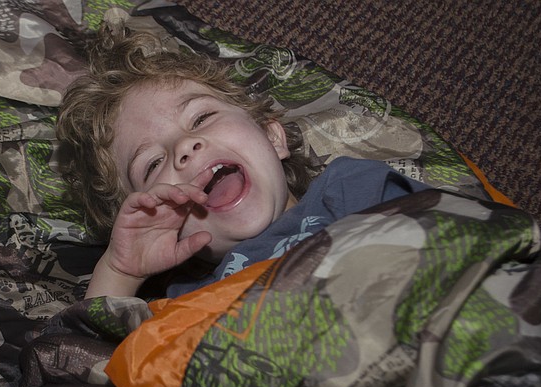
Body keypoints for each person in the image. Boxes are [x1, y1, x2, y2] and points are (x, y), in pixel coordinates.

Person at [57, 19, 432, 299]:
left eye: (201, 118)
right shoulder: (182, 302)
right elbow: (86, 381)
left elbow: (456, 244)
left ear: (272, 136)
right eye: (153, 164)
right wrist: (120, 272)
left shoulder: (351, 188)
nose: (184, 148)